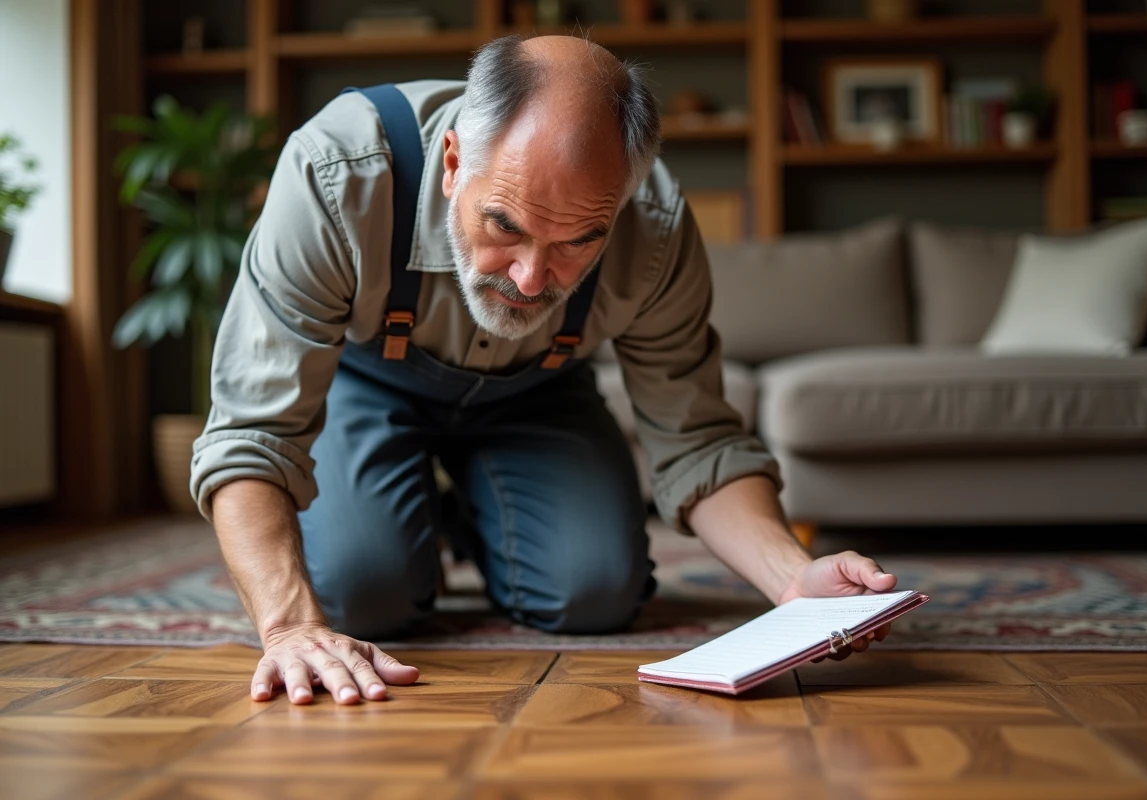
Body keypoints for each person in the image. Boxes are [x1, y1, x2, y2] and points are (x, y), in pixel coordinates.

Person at [191, 34, 898, 707]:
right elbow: (253, 431)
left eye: (577, 242)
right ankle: (407, 518)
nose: (531, 280)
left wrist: (790, 582)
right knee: (361, 595)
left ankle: (467, 512)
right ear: (452, 161)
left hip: (537, 396)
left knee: (595, 594)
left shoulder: (655, 225)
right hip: (367, 383)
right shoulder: (337, 170)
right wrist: (288, 627)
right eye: (505, 225)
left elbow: (700, 440)